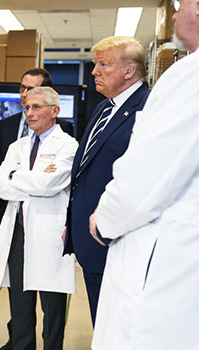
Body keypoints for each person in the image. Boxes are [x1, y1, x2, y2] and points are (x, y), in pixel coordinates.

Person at [89, 1, 199, 348]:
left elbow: (143, 182)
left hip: (167, 262)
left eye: (180, 4)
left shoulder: (189, 78)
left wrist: (103, 219)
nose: (175, 13)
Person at [62, 36, 150, 325]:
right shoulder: (104, 108)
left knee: (120, 328)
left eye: (104, 64)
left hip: (119, 241)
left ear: (129, 71)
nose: (94, 71)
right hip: (92, 239)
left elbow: (142, 179)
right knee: (101, 324)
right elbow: (86, 169)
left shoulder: (148, 110)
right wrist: (71, 224)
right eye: (95, 64)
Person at [0, 87, 77, 350]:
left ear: (54, 111)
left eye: (36, 107)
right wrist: (29, 179)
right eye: (26, 108)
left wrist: (18, 176)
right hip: (18, 232)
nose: (29, 113)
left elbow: (51, 184)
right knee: (21, 309)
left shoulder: (68, 146)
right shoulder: (17, 146)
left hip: (50, 235)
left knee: (53, 310)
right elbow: (2, 186)